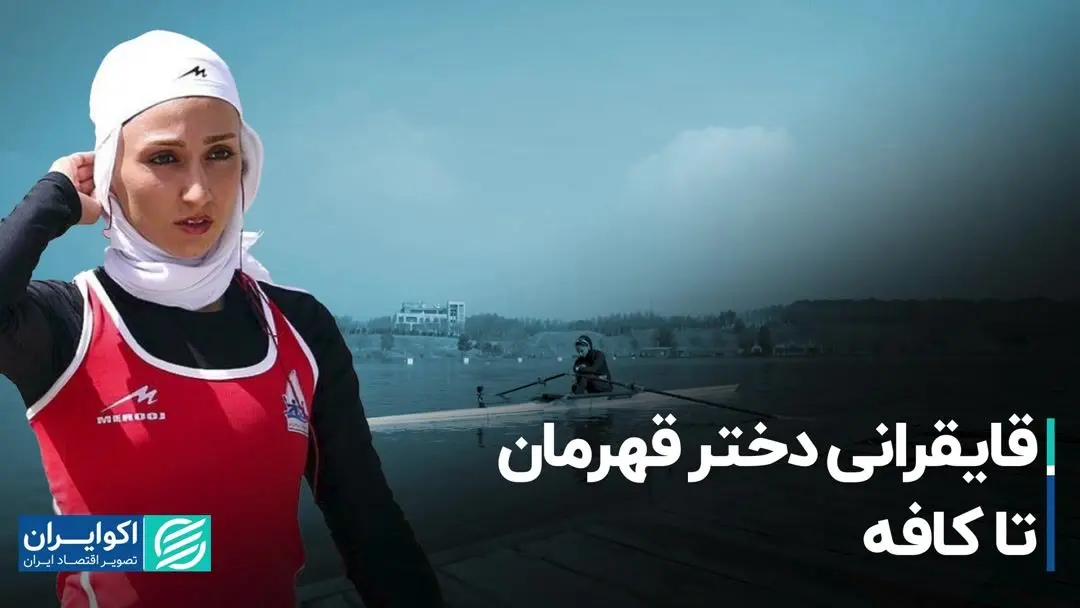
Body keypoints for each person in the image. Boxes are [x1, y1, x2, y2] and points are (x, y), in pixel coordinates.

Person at [0, 31, 443, 607]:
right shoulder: (66, 324)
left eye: (220, 154)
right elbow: (54, 547)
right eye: (164, 158)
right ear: (109, 172)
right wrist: (54, 196)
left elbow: (369, 523)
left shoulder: (299, 326)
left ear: (245, 161)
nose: (198, 193)